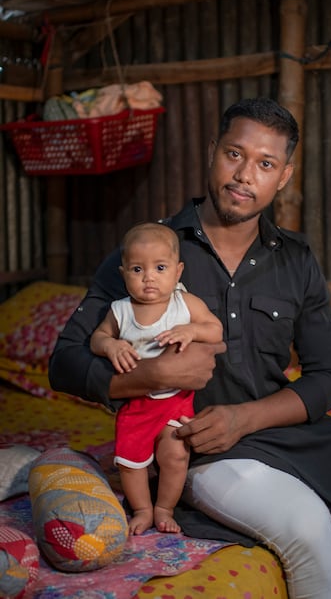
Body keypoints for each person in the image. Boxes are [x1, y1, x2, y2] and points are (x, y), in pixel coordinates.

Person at [49, 97, 331, 599]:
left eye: (265, 164)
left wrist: (245, 419)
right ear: (211, 152)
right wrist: (150, 379)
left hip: (274, 431)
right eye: (234, 154)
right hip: (190, 447)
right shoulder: (151, 253)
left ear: (283, 176)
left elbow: (329, 377)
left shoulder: (297, 261)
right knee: (306, 525)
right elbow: (64, 361)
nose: (245, 174)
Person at [90, 222, 223, 535]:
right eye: (137, 269)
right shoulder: (120, 311)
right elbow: (98, 337)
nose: (148, 277)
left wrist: (191, 330)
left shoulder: (184, 305)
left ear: (177, 272)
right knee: (130, 464)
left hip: (175, 402)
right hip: (137, 404)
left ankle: (164, 507)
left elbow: (214, 329)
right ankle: (142, 510)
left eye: (160, 267)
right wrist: (111, 344)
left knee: (175, 453)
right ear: (124, 274)